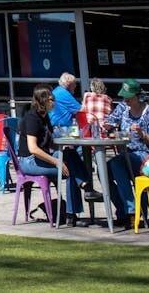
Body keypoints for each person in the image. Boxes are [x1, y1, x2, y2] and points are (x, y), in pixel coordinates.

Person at [17, 85, 97, 227]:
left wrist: (68, 141)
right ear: (42, 101)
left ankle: (82, 194)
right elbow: (33, 148)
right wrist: (56, 161)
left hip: (41, 157)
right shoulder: (32, 118)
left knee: (70, 154)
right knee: (69, 169)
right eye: (51, 100)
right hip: (29, 161)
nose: (54, 103)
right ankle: (79, 199)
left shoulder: (45, 117)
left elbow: (50, 142)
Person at [105, 79, 149, 228]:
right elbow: (109, 122)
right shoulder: (123, 108)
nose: (126, 100)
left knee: (117, 163)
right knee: (103, 171)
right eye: (124, 97)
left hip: (145, 156)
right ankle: (124, 208)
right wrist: (107, 127)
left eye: (128, 97)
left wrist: (142, 134)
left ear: (137, 96)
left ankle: (131, 211)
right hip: (126, 153)